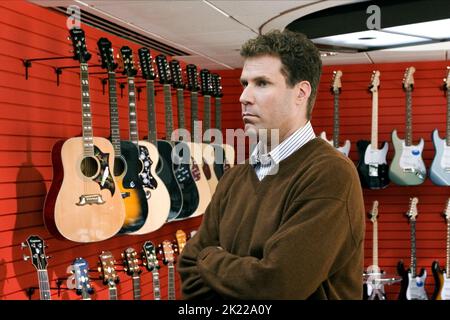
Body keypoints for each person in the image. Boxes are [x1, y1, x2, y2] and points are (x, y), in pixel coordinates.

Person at [177, 29, 365, 300]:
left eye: (262, 83)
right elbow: (188, 271)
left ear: (301, 93)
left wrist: (207, 258)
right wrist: (230, 270)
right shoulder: (234, 178)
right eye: (245, 83)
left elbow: (278, 285)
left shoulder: (330, 173)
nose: (244, 97)